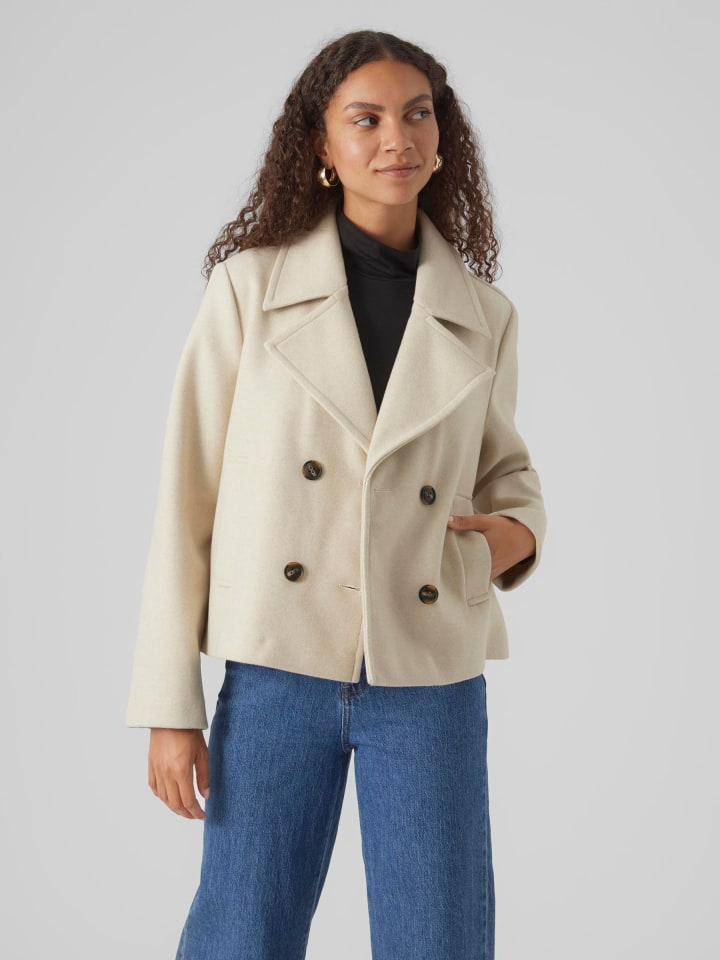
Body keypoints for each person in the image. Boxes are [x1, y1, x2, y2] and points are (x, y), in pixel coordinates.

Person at [125, 29, 547, 960]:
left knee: (438, 940)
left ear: (442, 137)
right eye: (366, 118)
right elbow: (185, 499)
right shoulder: (249, 290)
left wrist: (509, 538)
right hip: (276, 668)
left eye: (418, 114)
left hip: (428, 674)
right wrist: (170, 705)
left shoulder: (484, 314)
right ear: (320, 143)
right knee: (241, 937)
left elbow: (507, 476)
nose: (397, 137)